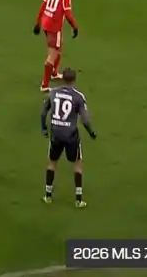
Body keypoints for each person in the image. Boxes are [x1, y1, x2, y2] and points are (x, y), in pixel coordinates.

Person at [41, 68, 95, 208]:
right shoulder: (78, 96)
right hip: (71, 135)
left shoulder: (53, 92)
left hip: (56, 133)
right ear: (74, 80)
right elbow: (84, 119)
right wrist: (91, 132)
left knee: (52, 162)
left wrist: (44, 128)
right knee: (77, 164)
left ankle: (48, 195)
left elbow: (43, 112)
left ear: (62, 78)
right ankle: (78, 199)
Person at [34, 0, 78, 91]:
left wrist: (38, 22)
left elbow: (43, 6)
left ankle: (53, 73)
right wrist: (74, 26)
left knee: (59, 46)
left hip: (46, 22)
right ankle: (45, 85)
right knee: (52, 54)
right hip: (54, 26)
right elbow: (67, 13)